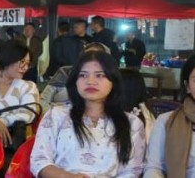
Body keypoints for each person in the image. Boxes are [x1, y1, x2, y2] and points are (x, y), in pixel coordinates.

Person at [30, 49, 145, 177]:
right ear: (75, 81)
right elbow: (39, 161)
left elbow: (132, 171)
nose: (90, 81)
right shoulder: (57, 115)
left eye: (99, 75)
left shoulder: (132, 123)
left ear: (113, 81)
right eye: (83, 75)